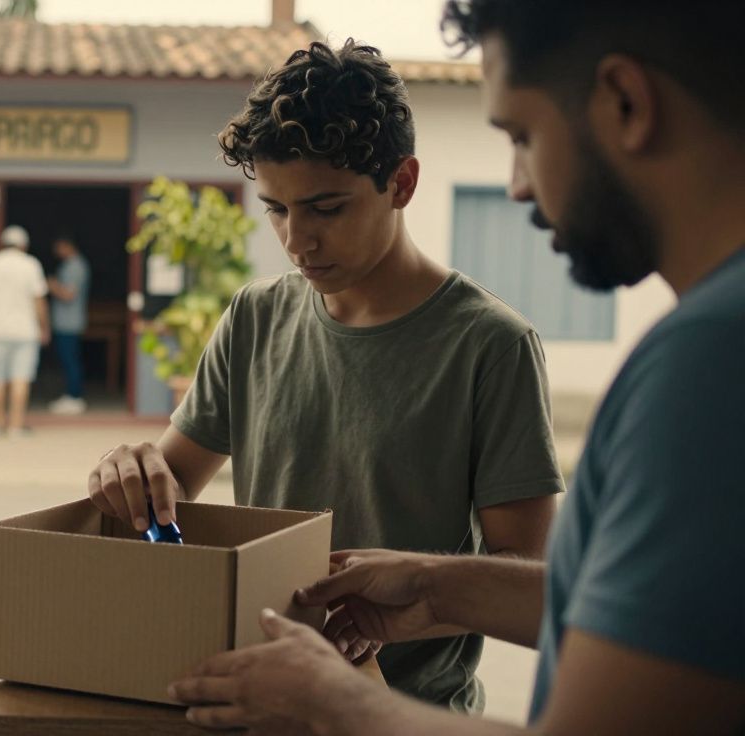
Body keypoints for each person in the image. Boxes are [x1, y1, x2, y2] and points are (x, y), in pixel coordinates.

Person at [168, 1, 745, 733]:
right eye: (277, 211)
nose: (517, 187)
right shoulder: (711, 347)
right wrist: (436, 589)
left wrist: (331, 699)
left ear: (627, 101)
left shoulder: (709, 364)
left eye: (522, 136)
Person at [88, 40, 563, 711]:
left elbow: (528, 579)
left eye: (326, 208)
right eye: (277, 209)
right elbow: (165, 501)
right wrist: (131, 474)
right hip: (260, 702)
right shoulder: (257, 316)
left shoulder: (491, 345)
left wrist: (416, 590)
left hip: (411, 715)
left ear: (401, 183)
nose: (296, 239)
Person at [0, 224, 50, 436]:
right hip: (25, 331)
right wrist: (44, 327)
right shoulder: (31, 265)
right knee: (21, 378)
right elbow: (39, 300)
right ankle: (16, 426)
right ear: (23, 245)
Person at [47, 235, 91, 415]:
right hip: (65, 322)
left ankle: (74, 397)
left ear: (67, 245)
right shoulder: (71, 265)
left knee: (70, 360)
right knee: (68, 359)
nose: (56, 252)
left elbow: (68, 295)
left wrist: (51, 285)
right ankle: (71, 396)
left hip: (70, 323)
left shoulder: (75, 266)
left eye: (58, 247)